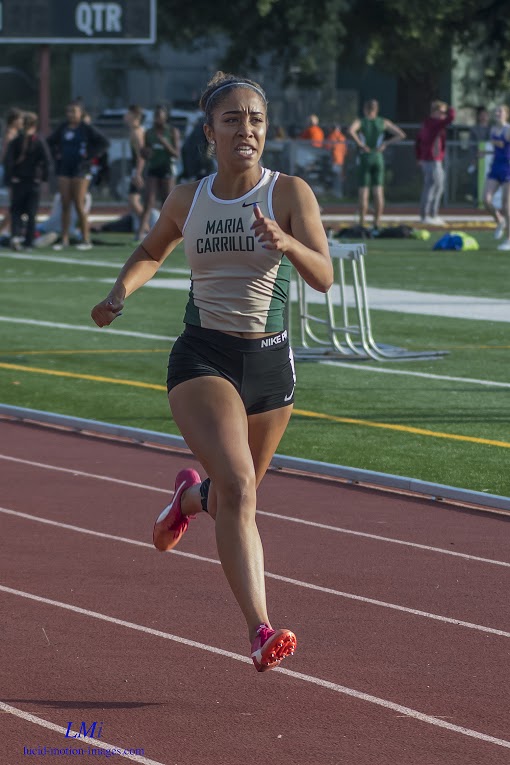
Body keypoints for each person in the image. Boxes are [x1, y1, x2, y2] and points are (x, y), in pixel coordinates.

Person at [91, 71, 333, 673]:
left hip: (271, 363)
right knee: (242, 490)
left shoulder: (290, 194)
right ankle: (260, 631)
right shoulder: (188, 199)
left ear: (265, 130)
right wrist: (120, 292)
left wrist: (287, 242)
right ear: (209, 133)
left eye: (255, 119)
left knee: (231, 498)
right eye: (232, 119)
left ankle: (187, 499)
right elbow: (152, 250)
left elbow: (323, 276)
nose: (245, 129)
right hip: (204, 356)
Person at [46, 101, 109, 251]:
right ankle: (65, 239)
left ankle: (86, 239)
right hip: (64, 169)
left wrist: (90, 156)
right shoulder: (63, 127)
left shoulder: (86, 129)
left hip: (81, 170)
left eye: (74, 111)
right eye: (68, 111)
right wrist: (57, 155)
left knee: (79, 203)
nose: (71, 115)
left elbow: (104, 143)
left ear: (80, 113)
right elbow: (50, 142)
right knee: (65, 203)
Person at [349, 99, 406, 232]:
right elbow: (401, 134)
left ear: (365, 109)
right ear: (376, 109)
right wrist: (385, 144)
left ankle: (362, 222)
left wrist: (360, 144)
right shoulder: (383, 122)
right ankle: (377, 222)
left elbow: (351, 130)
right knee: (378, 191)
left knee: (363, 191)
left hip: (365, 156)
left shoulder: (361, 122)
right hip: (378, 157)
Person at [4, 111, 50, 251]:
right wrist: (43, 178)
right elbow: (47, 161)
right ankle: (28, 242)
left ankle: (15, 237)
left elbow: (8, 161)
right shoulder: (38, 141)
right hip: (33, 182)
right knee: (31, 213)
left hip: (19, 181)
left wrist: (11, 178)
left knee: (16, 211)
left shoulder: (17, 141)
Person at [137, 105, 180, 238]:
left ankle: (172, 232)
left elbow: (176, 154)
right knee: (149, 201)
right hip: (153, 168)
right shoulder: (149, 133)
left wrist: (165, 143)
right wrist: (145, 153)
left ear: (165, 117)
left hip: (167, 167)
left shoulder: (172, 131)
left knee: (167, 201)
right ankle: (140, 233)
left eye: (160, 117)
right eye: (156, 117)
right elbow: (144, 153)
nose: (157, 120)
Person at [415, 100, 455, 226]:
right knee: (433, 187)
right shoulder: (433, 123)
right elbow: (451, 118)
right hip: (432, 160)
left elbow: (417, 141)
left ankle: (430, 214)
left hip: (431, 159)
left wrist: (419, 157)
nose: (444, 114)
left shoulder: (429, 124)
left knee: (435, 186)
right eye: (442, 112)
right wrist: (451, 109)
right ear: (436, 112)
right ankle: (428, 215)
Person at [483, 105, 510, 251]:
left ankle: (509, 239)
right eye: (496, 111)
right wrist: (484, 154)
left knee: (506, 205)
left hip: (507, 168)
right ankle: (500, 221)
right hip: (495, 168)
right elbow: (497, 150)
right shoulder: (493, 130)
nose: (497, 113)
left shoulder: (508, 130)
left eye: (500, 111)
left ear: (506, 114)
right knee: (486, 200)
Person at [0, 107, 24, 237]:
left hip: (10, 171)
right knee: (14, 204)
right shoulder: (10, 134)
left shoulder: (14, 133)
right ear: (14, 120)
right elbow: (5, 156)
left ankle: (8, 230)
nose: (22, 122)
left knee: (14, 204)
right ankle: (4, 230)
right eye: (20, 119)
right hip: (9, 172)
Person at [123, 105, 146, 236]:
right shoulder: (135, 131)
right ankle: (145, 229)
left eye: (128, 114)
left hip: (139, 170)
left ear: (134, 116)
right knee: (134, 201)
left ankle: (148, 229)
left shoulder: (136, 132)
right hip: (137, 169)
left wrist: (138, 173)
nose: (125, 117)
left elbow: (141, 155)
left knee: (133, 200)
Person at [468, 106, 491, 206]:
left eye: (485, 115)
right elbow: (471, 145)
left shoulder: (492, 129)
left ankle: (489, 201)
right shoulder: (474, 129)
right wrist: (473, 158)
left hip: (490, 159)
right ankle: (476, 200)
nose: (483, 117)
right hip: (478, 158)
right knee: (476, 180)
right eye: (481, 115)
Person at [324, 123, 348, 198]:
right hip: (341, 160)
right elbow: (345, 151)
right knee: (338, 178)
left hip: (333, 160)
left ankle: (335, 193)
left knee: (334, 177)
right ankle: (338, 193)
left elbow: (327, 148)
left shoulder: (332, 136)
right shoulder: (343, 137)